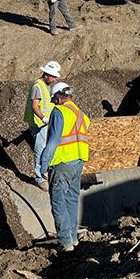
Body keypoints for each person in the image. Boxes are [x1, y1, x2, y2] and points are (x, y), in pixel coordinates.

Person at [39, 82, 90, 252]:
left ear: (59, 98)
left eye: (54, 99)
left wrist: (43, 165)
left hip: (61, 164)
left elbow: (53, 142)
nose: (54, 102)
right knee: (72, 200)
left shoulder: (59, 112)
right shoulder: (80, 114)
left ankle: (65, 242)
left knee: (59, 203)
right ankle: (73, 238)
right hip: (78, 163)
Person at [24, 61, 61, 190]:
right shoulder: (37, 86)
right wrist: (44, 118)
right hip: (39, 123)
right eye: (54, 76)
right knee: (40, 150)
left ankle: (45, 173)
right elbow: (35, 106)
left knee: (46, 148)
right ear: (46, 75)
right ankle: (39, 178)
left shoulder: (45, 85)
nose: (56, 79)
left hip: (44, 122)